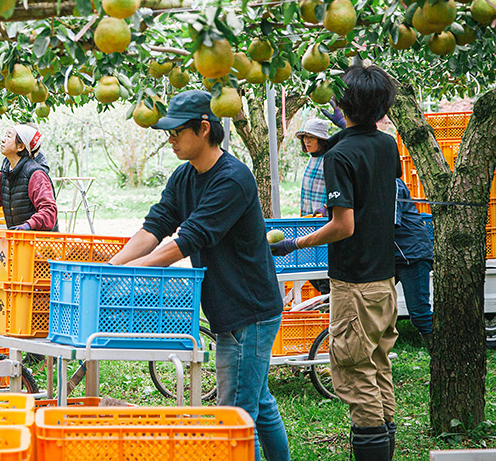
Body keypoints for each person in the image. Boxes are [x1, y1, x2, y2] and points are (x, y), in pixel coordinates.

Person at [108, 90, 289, 461]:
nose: (169, 139)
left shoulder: (233, 179)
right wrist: (113, 266)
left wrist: (128, 274)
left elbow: (187, 241)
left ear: (204, 128)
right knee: (258, 402)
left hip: (248, 311)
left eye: (176, 132)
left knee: (234, 420)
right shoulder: (185, 175)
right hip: (232, 306)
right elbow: (155, 227)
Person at [270, 65, 400, 461]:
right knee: (377, 365)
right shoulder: (386, 144)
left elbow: (343, 225)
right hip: (384, 278)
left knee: (353, 370)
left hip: (355, 282)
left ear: (342, 103)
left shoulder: (339, 156)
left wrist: (296, 243)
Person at [394, 177, 433, 350]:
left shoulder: (391, 183)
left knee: (420, 314)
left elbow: (389, 222)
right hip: (391, 255)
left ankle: (442, 365)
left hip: (412, 254)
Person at [296, 118, 333, 217]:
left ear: (321, 140)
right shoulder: (312, 158)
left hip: (325, 220)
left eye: (311, 137)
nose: (307, 141)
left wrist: (325, 207)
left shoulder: (329, 160)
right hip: (309, 218)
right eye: (305, 137)